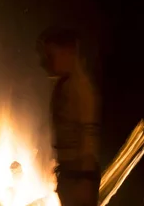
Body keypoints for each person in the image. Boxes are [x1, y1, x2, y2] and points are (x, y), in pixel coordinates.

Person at [36, 27, 101, 206]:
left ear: (68, 53)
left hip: (78, 178)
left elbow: (88, 136)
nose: (44, 63)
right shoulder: (64, 86)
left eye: (50, 56)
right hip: (70, 175)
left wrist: (84, 181)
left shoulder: (79, 88)